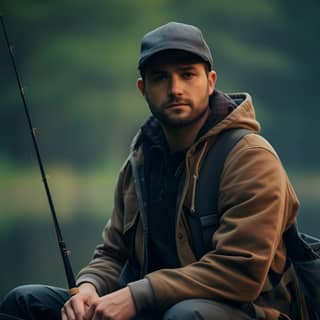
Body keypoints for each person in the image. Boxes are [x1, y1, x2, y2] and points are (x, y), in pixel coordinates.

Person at [0, 21, 303, 320]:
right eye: (160, 78)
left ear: (210, 82)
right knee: (25, 301)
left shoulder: (249, 157)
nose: (175, 89)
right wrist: (89, 286)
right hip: (154, 306)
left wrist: (137, 294)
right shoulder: (139, 162)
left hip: (249, 311)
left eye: (187, 75)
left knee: (185, 315)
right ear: (143, 89)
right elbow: (113, 253)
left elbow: (241, 272)